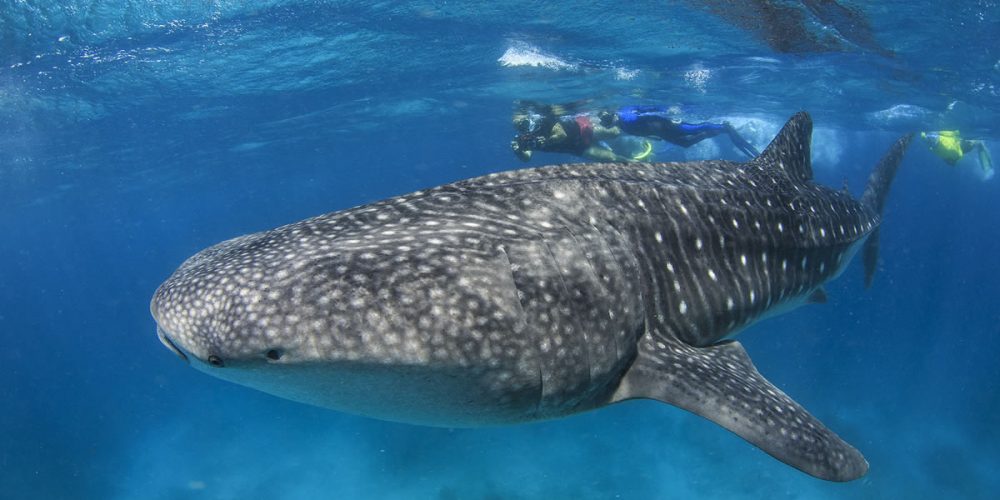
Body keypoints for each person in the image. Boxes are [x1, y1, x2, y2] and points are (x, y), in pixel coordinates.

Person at [600, 105, 760, 159]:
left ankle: (724, 127)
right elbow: (642, 127)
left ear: (612, 116)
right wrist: (654, 138)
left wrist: (668, 114)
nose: (608, 124)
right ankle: (718, 130)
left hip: (667, 126)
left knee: (695, 129)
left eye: (607, 121)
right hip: (662, 132)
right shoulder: (622, 124)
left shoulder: (627, 117)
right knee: (686, 143)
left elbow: (648, 112)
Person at [511, 106, 636, 163]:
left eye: (525, 123)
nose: (524, 128)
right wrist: (518, 152)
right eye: (520, 127)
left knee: (615, 132)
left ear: (530, 118)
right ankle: (638, 165)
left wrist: (547, 141)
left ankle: (622, 117)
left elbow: (561, 135)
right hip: (577, 148)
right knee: (612, 159)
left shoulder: (544, 121)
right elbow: (526, 158)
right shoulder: (523, 139)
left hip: (583, 130)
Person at [920, 130, 994, 180]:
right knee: (979, 143)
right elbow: (959, 154)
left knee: (977, 145)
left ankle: (986, 166)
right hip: (960, 147)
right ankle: (987, 166)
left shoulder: (932, 147)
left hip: (955, 151)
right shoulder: (942, 144)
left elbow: (925, 137)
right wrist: (957, 132)